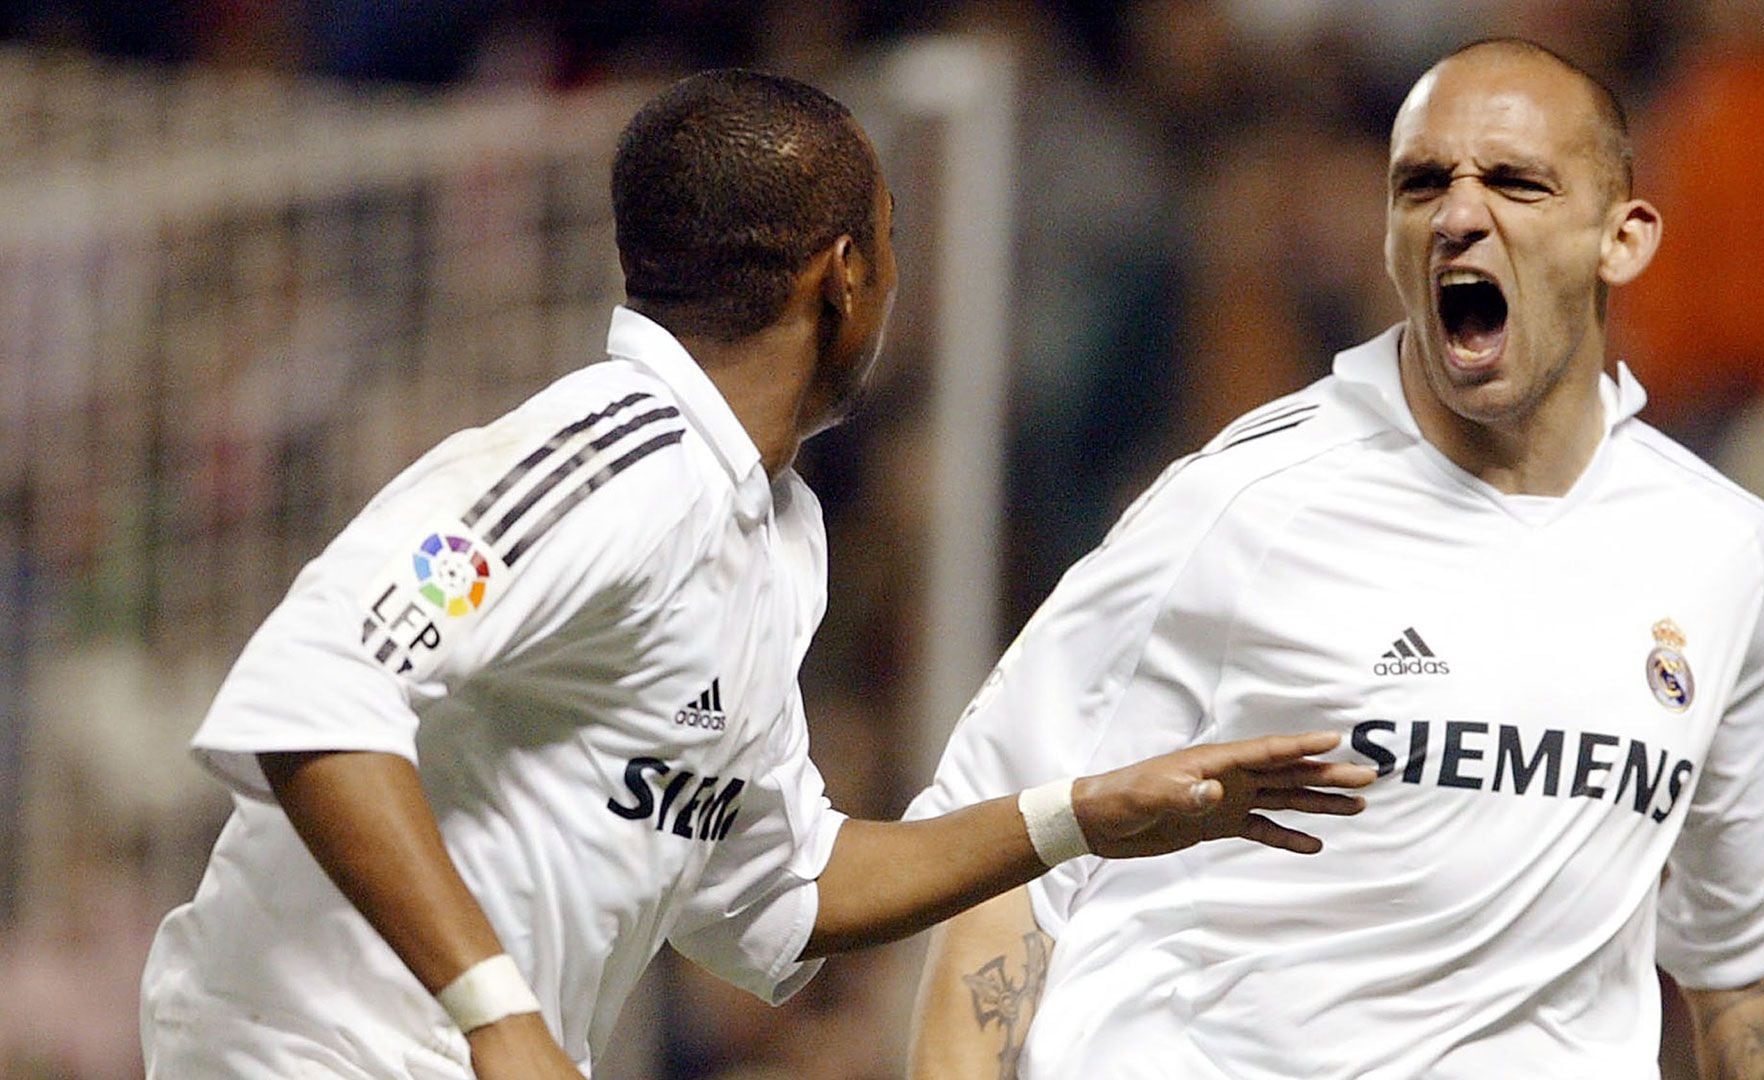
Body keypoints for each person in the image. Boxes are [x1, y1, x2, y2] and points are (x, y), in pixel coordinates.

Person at [137, 70, 1376, 1080]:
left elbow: (787, 887)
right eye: (892, 243)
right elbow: (314, 697)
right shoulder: (611, 464)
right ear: (843, 274)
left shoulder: (762, 530)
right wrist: (496, 1012)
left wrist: (1084, 816)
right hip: (303, 1054)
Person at [907, 38, 1764, 1080]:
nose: (1458, 215)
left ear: (1621, 238)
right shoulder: (1240, 507)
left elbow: (1755, 955)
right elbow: (998, 858)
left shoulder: (1721, 548)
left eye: (1516, 182)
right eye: (1423, 184)